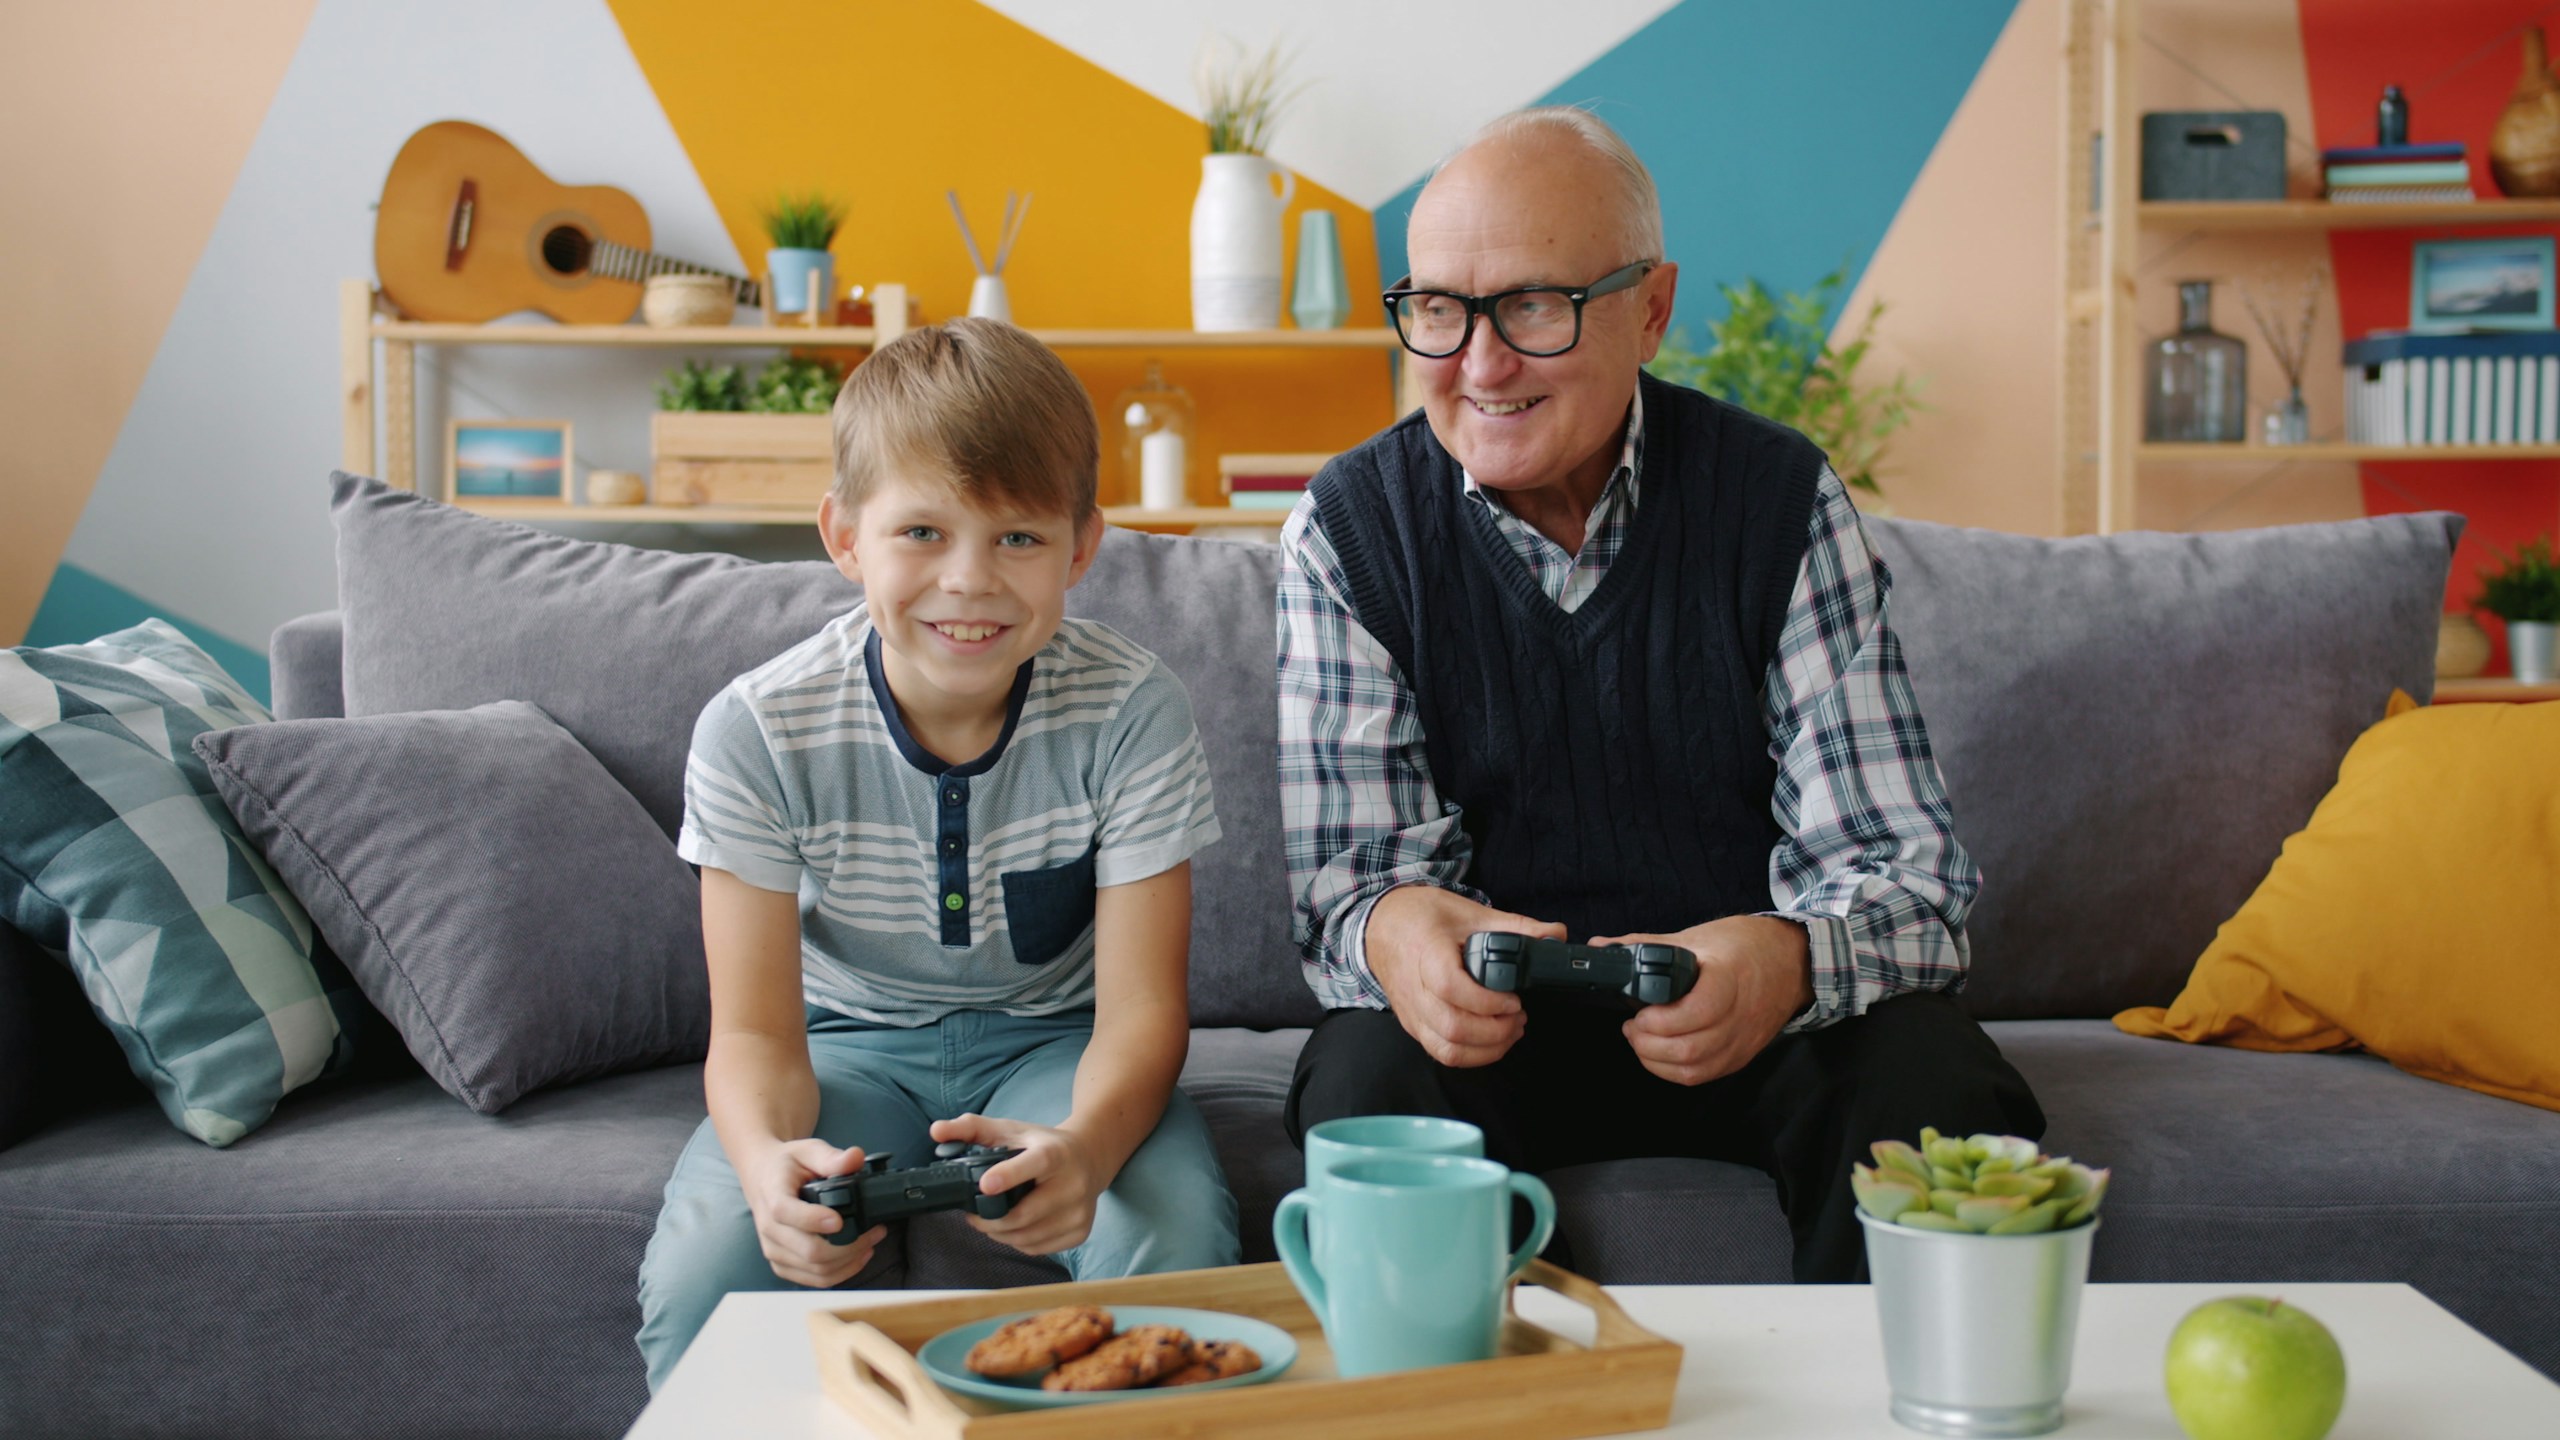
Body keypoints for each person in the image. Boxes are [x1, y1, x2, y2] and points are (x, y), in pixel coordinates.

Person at [1277, 107, 2044, 1282]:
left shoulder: (1778, 500)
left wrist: (1786, 961)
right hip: (1492, 1042)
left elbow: (1909, 881)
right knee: (1368, 1082)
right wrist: (1393, 934)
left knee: (1928, 1079)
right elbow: (1348, 887)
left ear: (1649, 308)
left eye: (1533, 306)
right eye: (1438, 310)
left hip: (1755, 1020)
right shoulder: (1347, 529)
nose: (1478, 365)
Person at [636, 318, 1238, 1387]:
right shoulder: (756, 731)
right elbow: (756, 1035)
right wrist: (768, 1166)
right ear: (842, 535)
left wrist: (1090, 1147)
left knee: (1176, 1250)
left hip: (1057, 1048)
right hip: (844, 1053)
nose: (969, 581)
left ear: (1082, 547)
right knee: (703, 1277)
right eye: (921, 532)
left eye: (1017, 538)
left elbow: (1142, 1010)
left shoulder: (1135, 709)